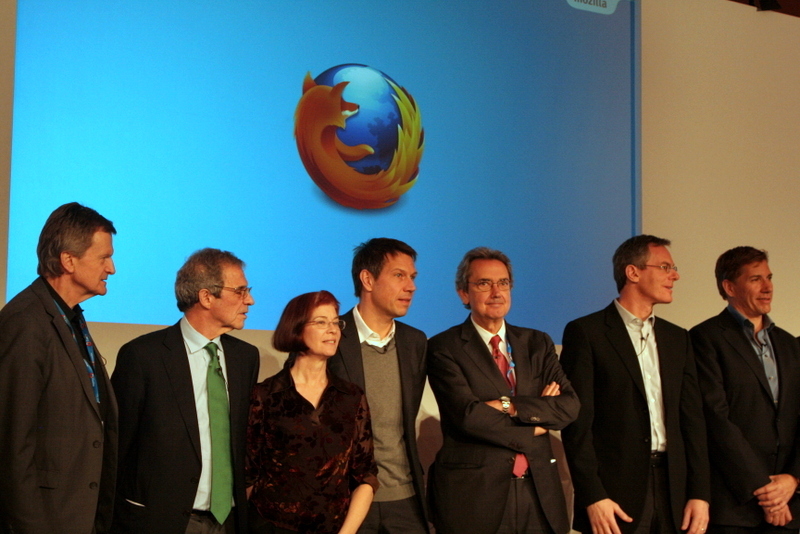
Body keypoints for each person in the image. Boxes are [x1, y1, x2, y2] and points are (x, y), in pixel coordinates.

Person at [560, 234, 710, 534]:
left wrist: (700, 493)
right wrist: (593, 495)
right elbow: (577, 425)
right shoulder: (587, 333)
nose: (675, 276)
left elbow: (692, 421)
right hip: (615, 494)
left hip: (674, 492)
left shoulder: (677, 338)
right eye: (665, 267)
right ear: (633, 272)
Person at [426, 247, 579, 534]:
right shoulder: (443, 347)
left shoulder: (537, 342)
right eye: (484, 283)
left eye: (503, 283)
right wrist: (537, 422)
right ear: (463, 293)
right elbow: (469, 417)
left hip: (539, 493)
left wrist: (509, 406)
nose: (496, 292)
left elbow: (569, 406)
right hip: (476, 497)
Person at [111, 248, 260, 534]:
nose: (249, 300)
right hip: (161, 520)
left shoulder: (245, 357)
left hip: (228, 520)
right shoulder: (143, 356)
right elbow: (118, 444)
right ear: (206, 297)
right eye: (240, 291)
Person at [0, 202, 118, 534]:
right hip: (44, 521)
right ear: (68, 260)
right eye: (104, 257)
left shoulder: (71, 317)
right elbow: (12, 445)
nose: (111, 268)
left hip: (78, 516)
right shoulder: (25, 323)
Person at [247, 290, 379, 534]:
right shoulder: (266, 395)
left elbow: (366, 475)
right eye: (321, 322)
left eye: (335, 322)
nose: (332, 330)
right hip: (271, 526)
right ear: (296, 329)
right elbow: (248, 473)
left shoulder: (351, 396)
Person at [690, 247, 800, 534]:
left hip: (789, 506)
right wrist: (765, 491)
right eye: (755, 279)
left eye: (769, 278)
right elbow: (716, 419)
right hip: (735, 507)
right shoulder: (705, 338)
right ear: (729, 287)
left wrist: (793, 479)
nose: (767, 287)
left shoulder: (790, 344)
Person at [327, 238, 429, 533]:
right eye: (399, 275)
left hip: (406, 499)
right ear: (368, 279)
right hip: (345, 499)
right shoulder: (330, 335)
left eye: (412, 277)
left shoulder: (415, 342)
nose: (411, 287)